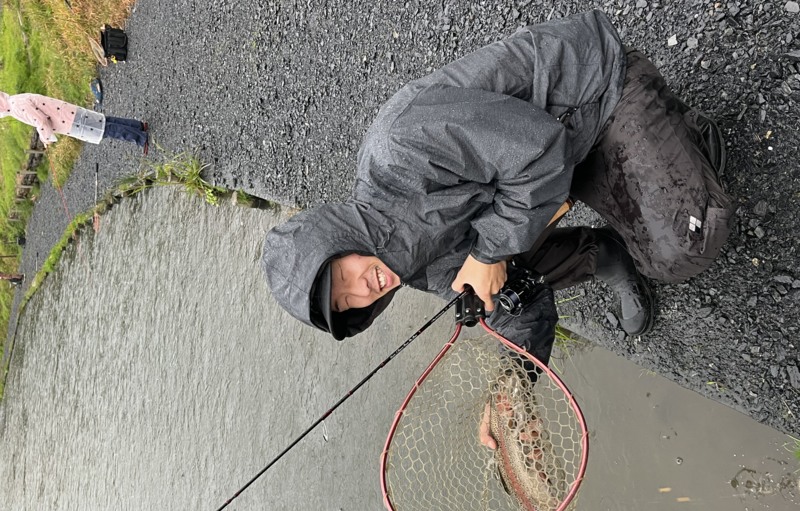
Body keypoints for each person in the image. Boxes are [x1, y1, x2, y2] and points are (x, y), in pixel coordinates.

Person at [261, 9, 734, 367]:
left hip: (595, 94)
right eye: (347, 303)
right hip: (561, 168)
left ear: (337, 237)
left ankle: (687, 135)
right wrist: (515, 383)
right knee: (497, 277)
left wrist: (488, 253)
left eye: (342, 276)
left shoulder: (398, 146)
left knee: (685, 247)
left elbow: (540, 150)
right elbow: (512, 309)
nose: (362, 289)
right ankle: (603, 252)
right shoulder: (412, 266)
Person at [0, 91, 149, 154]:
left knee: (105, 129)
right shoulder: (15, 100)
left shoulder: (16, 107)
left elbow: (41, 121)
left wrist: (45, 138)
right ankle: (138, 126)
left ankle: (141, 138)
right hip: (68, 112)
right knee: (104, 121)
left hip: (68, 120)